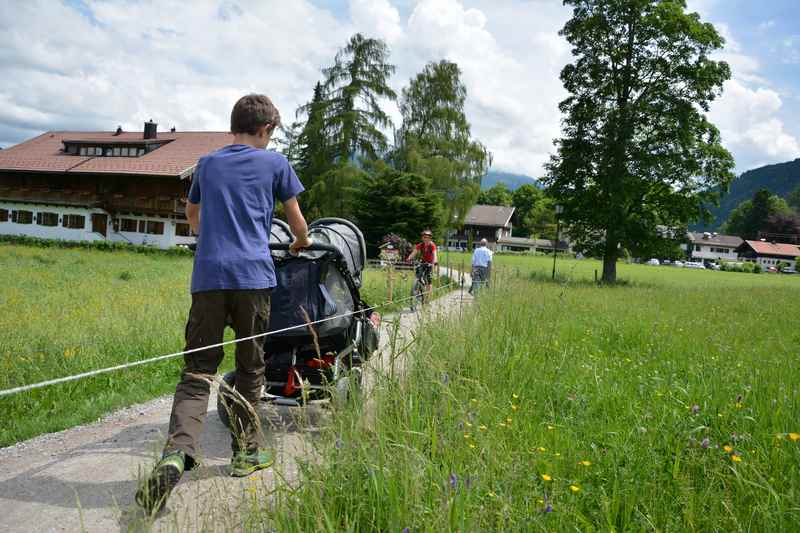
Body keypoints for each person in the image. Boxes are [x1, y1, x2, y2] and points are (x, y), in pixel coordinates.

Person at [136, 94, 311, 513]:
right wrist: (300, 242)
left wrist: (211, 234)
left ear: (234, 125)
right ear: (266, 129)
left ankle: (176, 454)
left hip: (208, 279)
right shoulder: (276, 164)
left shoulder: (208, 163)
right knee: (251, 368)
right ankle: (246, 453)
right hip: (253, 279)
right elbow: (298, 221)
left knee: (197, 372)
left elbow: (192, 216)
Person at [407, 229, 438, 301]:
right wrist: (409, 258)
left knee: (428, 280)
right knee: (418, 275)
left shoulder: (432, 245)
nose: (426, 239)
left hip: (430, 263)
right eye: (424, 237)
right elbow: (414, 252)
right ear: (422, 238)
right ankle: (417, 286)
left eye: (428, 237)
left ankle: (427, 299)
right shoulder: (420, 245)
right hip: (423, 262)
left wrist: (435, 262)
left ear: (430, 238)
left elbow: (435, 254)